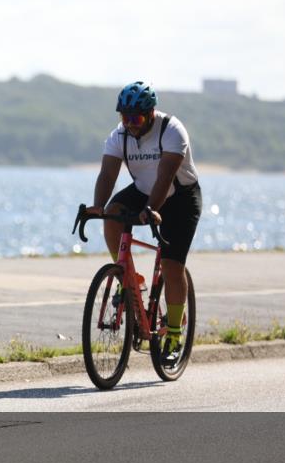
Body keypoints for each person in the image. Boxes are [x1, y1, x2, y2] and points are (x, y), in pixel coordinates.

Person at [86, 81, 202, 360]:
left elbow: (164, 177)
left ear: (151, 113)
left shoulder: (172, 131)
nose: (130, 124)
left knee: (172, 266)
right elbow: (107, 175)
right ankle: (129, 278)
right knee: (113, 214)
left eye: (135, 118)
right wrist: (99, 207)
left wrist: (151, 209)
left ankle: (174, 333)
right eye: (124, 117)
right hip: (143, 191)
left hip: (180, 198)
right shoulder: (119, 135)